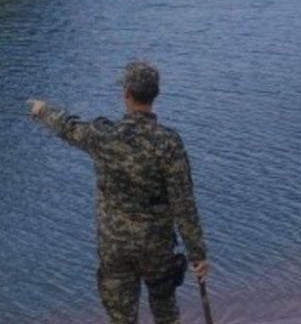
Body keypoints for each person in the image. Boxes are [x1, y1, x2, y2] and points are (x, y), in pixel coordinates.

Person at [27, 61, 208, 324]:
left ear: (126, 94)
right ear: (154, 95)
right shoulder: (169, 143)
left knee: (120, 318)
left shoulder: (104, 136)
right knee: (166, 312)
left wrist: (42, 110)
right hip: (156, 247)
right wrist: (197, 254)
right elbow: (184, 204)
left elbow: (68, 126)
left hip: (115, 247)